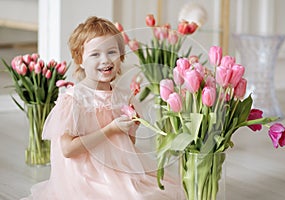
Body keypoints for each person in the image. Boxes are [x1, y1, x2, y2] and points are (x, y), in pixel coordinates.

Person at [21, 16, 183, 200]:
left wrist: (132, 128)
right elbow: (68, 149)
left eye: (112, 52)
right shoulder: (74, 100)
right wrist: (111, 129)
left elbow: (127, 147)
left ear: (121, 56)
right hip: (86, 176)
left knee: (162, 189)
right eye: (95, 54)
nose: (106, 60)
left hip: (119, 169)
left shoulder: (123, 96)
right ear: (80, 60)